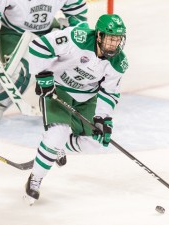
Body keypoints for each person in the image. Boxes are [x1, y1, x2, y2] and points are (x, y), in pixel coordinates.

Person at [24, 14, 128, 205]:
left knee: (96, 143)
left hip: (87, 98)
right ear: (98, 35)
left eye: (118, 39)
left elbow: (109, 92)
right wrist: (42, 75)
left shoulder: (118, 63)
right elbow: (38, 46)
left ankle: (56, 148)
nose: (114, 44)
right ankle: (35, 179)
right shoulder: (76, 37)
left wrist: (102, 118)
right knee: (57, 134)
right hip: (59, 89)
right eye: (110, 38)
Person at [0, 0, 88, 126]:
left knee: (69, 64)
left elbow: (77, 11)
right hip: (14, 32)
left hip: (47, 31)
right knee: (21, 72)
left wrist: (76, 29)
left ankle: (56, 106)